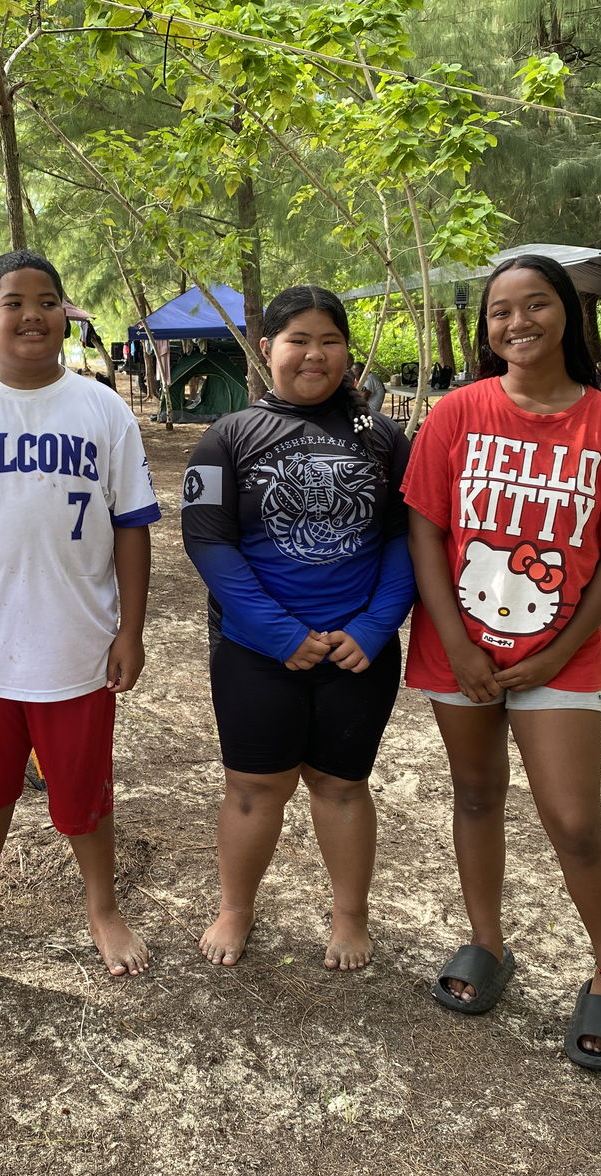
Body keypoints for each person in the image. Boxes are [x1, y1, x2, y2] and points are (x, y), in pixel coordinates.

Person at [401, 255, 601, 1072]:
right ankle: (487, 943)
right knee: (476, 796)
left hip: (561, 654)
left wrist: (557, 647)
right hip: (461, 653)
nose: (516, 323)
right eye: (498, 313)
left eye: (535, 305)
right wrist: (453, 642)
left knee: (575, 822)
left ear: (568, 316)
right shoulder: (456, 415)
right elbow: (425, 530)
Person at [0, 250, 159, 977]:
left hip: (77, 645)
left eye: (47, 300)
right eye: (13, 301)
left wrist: (130, 631)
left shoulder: (101, 408)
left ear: (65, 317)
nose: (31, 314)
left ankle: (102, 908)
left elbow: (132, 526)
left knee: (83, 794)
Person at [181, 286, 414, 971]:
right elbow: (208, 543)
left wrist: (374, 626)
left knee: (341, 786)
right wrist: (278, 632)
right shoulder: (226, 438)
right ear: (267, 350)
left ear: (347, 352)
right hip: (256, 650)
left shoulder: (383, 438)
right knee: (254, 789)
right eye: (298, 341)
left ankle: (350, 916)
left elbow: (406, 541)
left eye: (330, 341)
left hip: (357, 652)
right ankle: (236, 909)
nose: (315, 355)